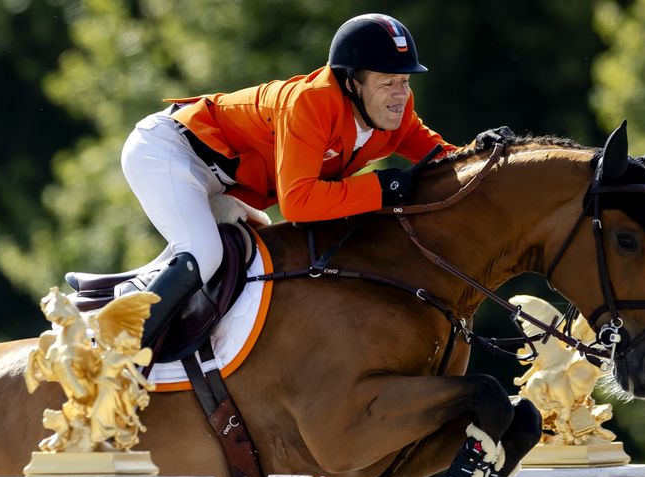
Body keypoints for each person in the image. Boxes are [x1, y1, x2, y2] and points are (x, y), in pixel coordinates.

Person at [119, 13, 514, 348]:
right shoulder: (312, 102)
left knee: (258, 254)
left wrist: (485, 154)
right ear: (351, 82)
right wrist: (380, 188)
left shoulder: (393, 113)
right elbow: (298, 204)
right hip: (170, 149)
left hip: (219, 182)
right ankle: (122, 353)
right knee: (204, 252)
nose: (400, 95)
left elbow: (442, 159)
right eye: (387, 82)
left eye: (404, 81)